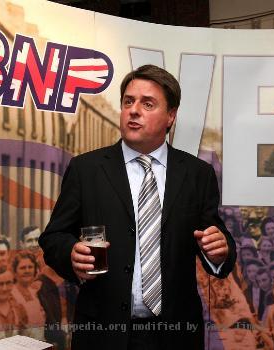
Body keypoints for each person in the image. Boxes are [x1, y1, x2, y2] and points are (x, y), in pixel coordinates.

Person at [39, 64, 236, 350]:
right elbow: (53, 238)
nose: (133, 110)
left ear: (171, 116)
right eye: (128, 102)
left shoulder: (197, 174)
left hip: (174, 334)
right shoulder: (86, 169)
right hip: (104, 331)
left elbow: (216, 238)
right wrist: (70, 254)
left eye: (148, 104)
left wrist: (220, 250)